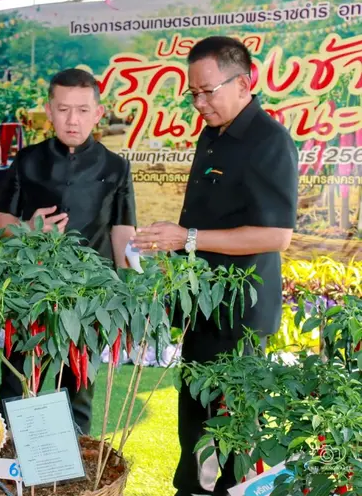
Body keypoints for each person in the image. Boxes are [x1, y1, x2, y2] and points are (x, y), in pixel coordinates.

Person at [131, 36, 298, 496]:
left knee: (228, 437)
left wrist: (187, 238)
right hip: (205, 309)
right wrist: (173, 247)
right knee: (195, 428)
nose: (199, 103)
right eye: (193, 93)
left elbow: (276, 235)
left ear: (244, 83)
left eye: (208, 91)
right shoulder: (214, 134)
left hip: (240, 318)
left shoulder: (268, 141)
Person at [0, 68, 137, 435]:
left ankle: (75, 479)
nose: (72, 120)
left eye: (82, 110)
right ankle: (8, 468)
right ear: (49, 109)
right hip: (29, 294)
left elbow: (123, 230)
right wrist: (27, 229)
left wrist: (132, 289)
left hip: (88, 299)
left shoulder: (117, 167)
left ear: (98, 113)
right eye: (63, 109)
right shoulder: (27, 161)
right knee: (16, 383)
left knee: (77, 389)